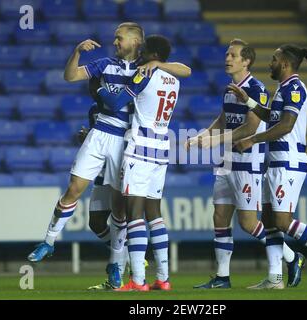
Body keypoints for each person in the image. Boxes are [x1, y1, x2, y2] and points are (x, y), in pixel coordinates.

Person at [27, 22, 191, 290]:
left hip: (125, 142)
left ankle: (116, 265)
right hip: (100, 133)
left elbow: (185, 70)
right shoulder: (104, 64)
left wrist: (102, 90)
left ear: (136, 42)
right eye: (115, 38)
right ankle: (49, 241)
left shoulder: (145, 68)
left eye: (119, 38)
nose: (115, 42)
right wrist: (77, 52)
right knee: (73, 188)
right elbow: (69, 76)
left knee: (119, 210)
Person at [186, 39, 303, 289]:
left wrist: (215, 140)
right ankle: (222, 277)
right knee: (219, 217)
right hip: (226, 162)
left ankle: (292, 257)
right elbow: (223, 118)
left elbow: (250, 127)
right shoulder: (230, 89)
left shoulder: (257, 88)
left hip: (247, 164)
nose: (227, 58)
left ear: (246, 61)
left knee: (248, 223)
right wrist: (203, 135)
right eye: (227, 54)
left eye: (232, 55)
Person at [231, 44, 307, 289]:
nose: (270, 63)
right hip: (275, 161)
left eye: (273, 59)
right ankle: (275, 278)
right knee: (268, 219)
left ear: (284, 63)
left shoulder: (295, 88)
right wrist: (249, 102)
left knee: (283, 222)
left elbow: (285, 126)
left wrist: (252, 139)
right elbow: (272, 118)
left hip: (289, 162)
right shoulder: (283, 87)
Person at [96, 35, 179, 292]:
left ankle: (138, 281)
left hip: (140, 147)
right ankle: (163, 279)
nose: (140, 54)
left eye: (144, 51)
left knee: (134, 215)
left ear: (153, 53)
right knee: (155, 214)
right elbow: (183, 69)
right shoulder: (174, 79)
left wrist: (98, 89)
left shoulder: (145, 74)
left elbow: (116, 102)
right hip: (162, 147)